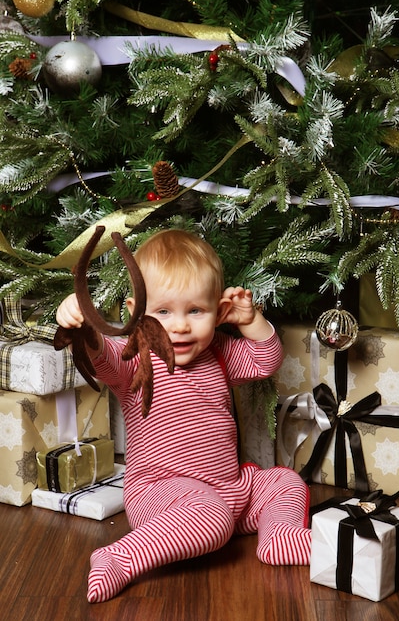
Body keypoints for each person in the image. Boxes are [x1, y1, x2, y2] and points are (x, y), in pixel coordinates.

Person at [56, 228, 311, 603]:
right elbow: (102, 358)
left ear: (219, 312)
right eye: (162, 311)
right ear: (135, 313)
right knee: (211, 517)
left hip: (231, 487)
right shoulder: (134, 358)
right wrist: (82, 326)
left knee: (284, 482)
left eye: (196, 310)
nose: (180, 325)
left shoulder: (220, 353)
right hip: (162, 493)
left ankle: (280, 535)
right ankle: (119, 557)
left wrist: (251, 320)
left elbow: (264, 360)